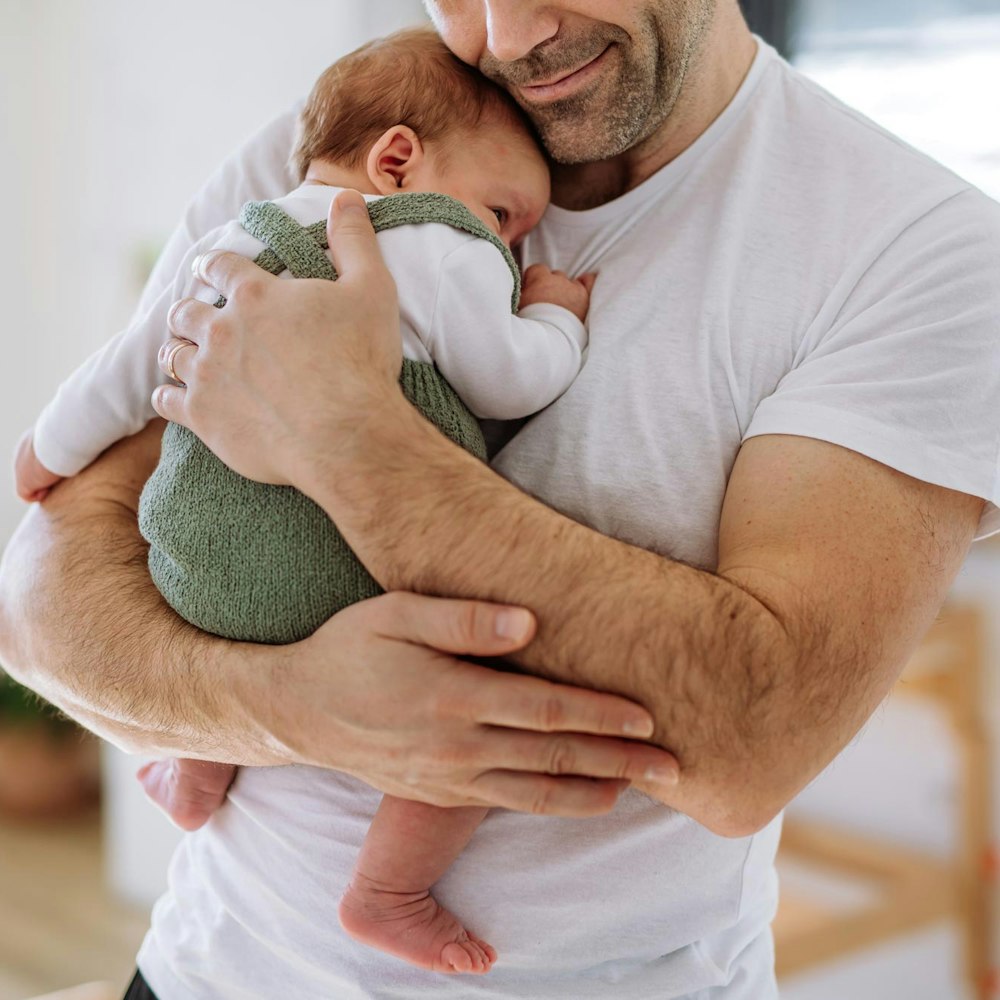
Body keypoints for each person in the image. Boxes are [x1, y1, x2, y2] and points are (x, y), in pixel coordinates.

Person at [2, 1, 998, 997]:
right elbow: (36, 604)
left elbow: (754, 739)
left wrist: (345, 435)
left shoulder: (912, 246)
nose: (508, 32)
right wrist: (288, 709)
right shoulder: (362, 132)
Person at [15, 28, 600, 976]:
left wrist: (48, 448)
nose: (511, 238)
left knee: (240, 638)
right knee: (478, 715)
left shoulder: (239, 233)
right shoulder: (436, 242)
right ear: (399, 161)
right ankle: (390, 892)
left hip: (192, 562)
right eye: (505, 212)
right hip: (344, 574)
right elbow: (507, 380)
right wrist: (555, 318)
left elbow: (130, 370)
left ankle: (193, 764)